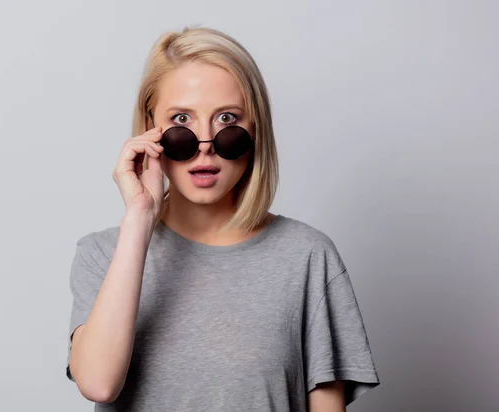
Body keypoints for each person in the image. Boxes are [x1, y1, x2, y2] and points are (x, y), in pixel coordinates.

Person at [65, 26, 380, 412]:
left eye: (227, 118)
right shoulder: (103, 254)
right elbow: (98, 384)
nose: (206, 147)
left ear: (255, 129)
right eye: (182, 118)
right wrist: (139, 220)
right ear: (151, 127)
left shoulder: (307, 257)